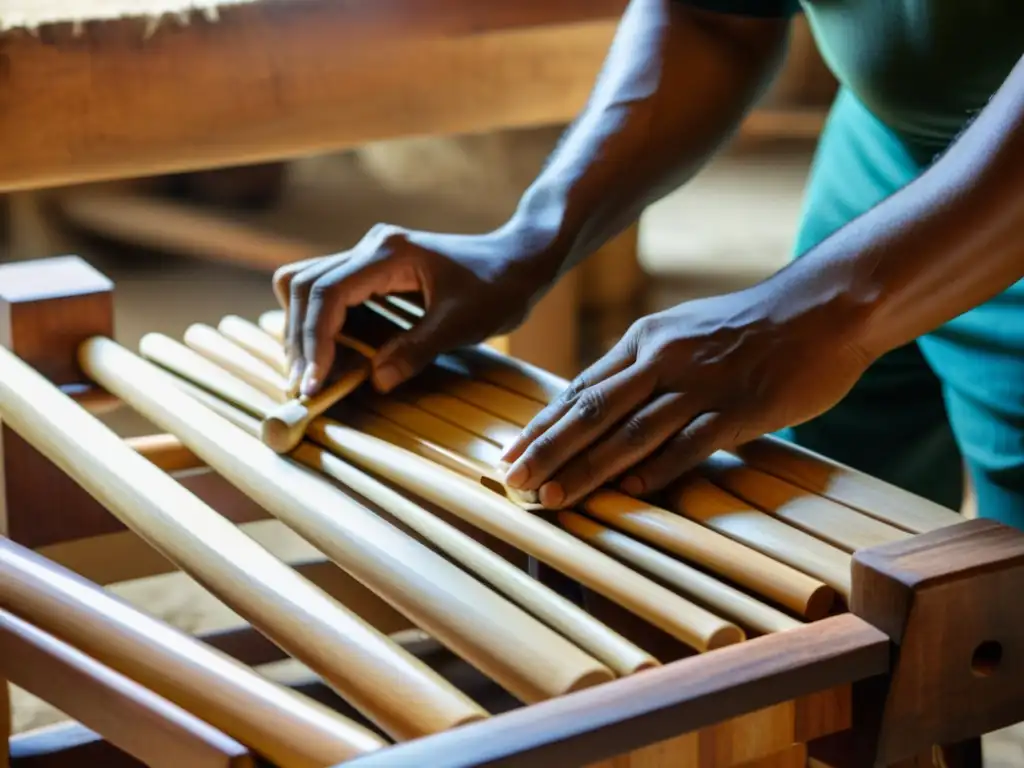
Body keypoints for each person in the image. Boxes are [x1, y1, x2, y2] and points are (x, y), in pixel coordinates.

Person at [273, 0, 1024, 526]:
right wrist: (529, 240)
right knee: (821, 523)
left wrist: (822, 313)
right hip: (881, 159)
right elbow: (712, 16)